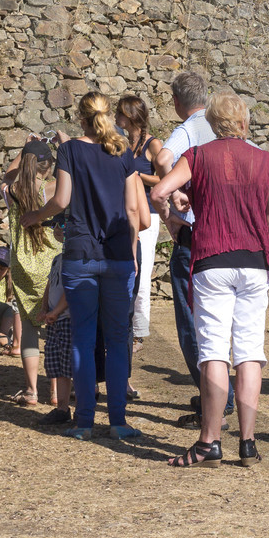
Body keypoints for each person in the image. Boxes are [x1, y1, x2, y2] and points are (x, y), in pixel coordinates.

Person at [153, 90, 269, 469]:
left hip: (212, 260)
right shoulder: (265, 161)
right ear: (244, 123)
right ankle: (247, 443)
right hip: (254, 263)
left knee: (213, 350)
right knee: (249, 353)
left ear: (212, 124)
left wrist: (175, 218)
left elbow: (159, 191)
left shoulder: (197, 156)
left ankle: (209, 442)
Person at [19, 92, 147, 441]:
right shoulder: (122, 152)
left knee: (82, 341)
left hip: (81, 255)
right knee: (119, 341)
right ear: (108, 115)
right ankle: (118, 421)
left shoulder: (71, 151)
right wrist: (132, 250)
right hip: (118, 255)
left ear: (81, 117)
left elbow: (61, 200)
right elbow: (134, 210)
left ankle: (85, 421)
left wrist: (35, 216)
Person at [147, 71, 218, 420]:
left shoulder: (188, 130)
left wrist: (174, 194)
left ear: (177, 102)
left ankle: (215, 398)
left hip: (193, 234)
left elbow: (162, 160)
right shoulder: (220, 125)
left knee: (191, 320)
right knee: (217, 322)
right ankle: (217, 393)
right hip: (222, 233)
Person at [2, 139, 60, 407]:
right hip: (51, 267)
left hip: (23, 267)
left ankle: (31, 390)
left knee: (28, 329)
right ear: (47, 168)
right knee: (57, 329)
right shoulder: (53, 190)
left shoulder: (10, 190)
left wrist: (23, 149)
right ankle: (57, 391)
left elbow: (8, 174)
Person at [117, 95, 165, 357]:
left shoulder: (153, 144)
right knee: (127, 270)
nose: (116, 118)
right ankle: (127, 326)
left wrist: (138, 176)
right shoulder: (124, 142)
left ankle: (139, 332)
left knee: (142, 273)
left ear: (131, 116)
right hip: (127, 213)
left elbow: (164, 177)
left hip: (148, 216)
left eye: (120, 114)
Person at [36, 253, 74, 425]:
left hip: (67, 318)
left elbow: (71, 287)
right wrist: (45, 308)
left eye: (61, 224)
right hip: (54, 318)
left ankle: (81, 409)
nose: (57, 229)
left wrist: (56, 311)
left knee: (69, 366)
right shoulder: (57, 258)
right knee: (56, 365)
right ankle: (62, 408)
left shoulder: (74, 257)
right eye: (55, 225)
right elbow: (50, 284)